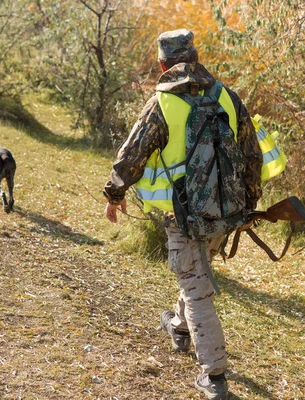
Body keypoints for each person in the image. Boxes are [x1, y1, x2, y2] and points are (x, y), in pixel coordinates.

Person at [103, 29, 263, 400]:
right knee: (196, 275)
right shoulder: (227, 95)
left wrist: (114, 195)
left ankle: (214, 375)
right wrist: (250, 205)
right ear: (194, 56)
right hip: (225, 212)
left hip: (184, 217)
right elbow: (252, 154)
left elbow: (131, 157)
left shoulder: (162, 103)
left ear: (162, 64)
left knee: (197, 291)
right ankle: (178, 327)